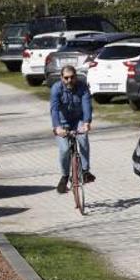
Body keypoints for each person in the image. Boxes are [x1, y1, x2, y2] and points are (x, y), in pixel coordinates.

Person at [51, 65, 94, 193]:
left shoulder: (82, 87)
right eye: (66, 78)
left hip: (78, 120)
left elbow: (87, 105)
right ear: (61, 78)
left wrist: (86, 122)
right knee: (64, 150)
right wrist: (57, 127)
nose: (69, 80)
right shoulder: (56, 89)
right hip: (62, 123)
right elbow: (54, 109)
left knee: (83, 139)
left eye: (72, 77)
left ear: (76, 76)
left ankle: (85, 171)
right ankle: (64, 177)